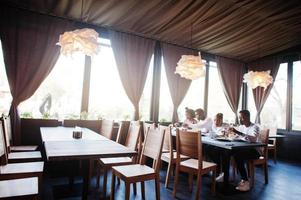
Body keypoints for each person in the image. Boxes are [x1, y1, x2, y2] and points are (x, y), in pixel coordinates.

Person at [230, 110, 260, 191]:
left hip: (255, 151)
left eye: (241, 118)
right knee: (227, 151)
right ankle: (225, 174)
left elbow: (254, 139)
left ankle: (246, 182)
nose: (239, 119)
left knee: (238, 156)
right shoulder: (241, 127)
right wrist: (233, 135)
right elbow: (238, 136)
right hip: (243, 148)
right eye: (239, 118)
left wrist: (239, 133)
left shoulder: (255, 127)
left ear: (246, 117)